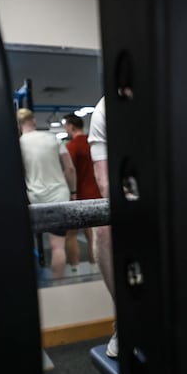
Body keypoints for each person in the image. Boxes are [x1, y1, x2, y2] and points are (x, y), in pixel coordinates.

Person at [17, 107, 77, 280]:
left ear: (20, 124)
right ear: (34, 121)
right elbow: (70, 169)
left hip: (34, 197)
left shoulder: (18, 144)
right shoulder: (52, 139)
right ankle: (58, 288)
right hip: (59, 195)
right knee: (58, 246)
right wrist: (73, 192)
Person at [87, 97, 118, 357]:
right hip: (141, 197)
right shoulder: (106, 109)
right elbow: (106, 182)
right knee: (104, 229)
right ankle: (127, 317)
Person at [63, 113, 102, 273]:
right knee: (92, 234)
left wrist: (71, 192)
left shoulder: (71, 146)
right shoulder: (92, 143)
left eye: (66, 126)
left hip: (78, 196)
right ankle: (95, 266)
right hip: (96, 194)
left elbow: (69, 170)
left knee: (71, 234)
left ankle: (75, 269)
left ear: (71, 127)